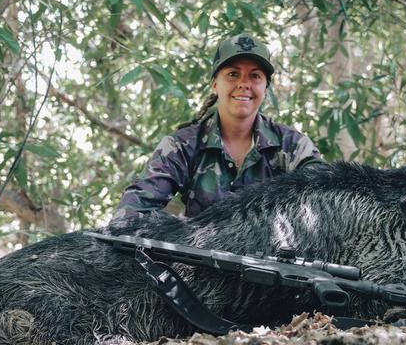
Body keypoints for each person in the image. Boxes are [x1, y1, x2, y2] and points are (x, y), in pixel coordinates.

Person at [110, 33, 322, 224]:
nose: (243, 83)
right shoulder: (182, 145)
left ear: (265, 87)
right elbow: (130, 214)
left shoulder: (293, 146)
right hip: (198, 263)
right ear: (214, 84)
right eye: (232, 74)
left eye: (255, 76)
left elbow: (325, 202)